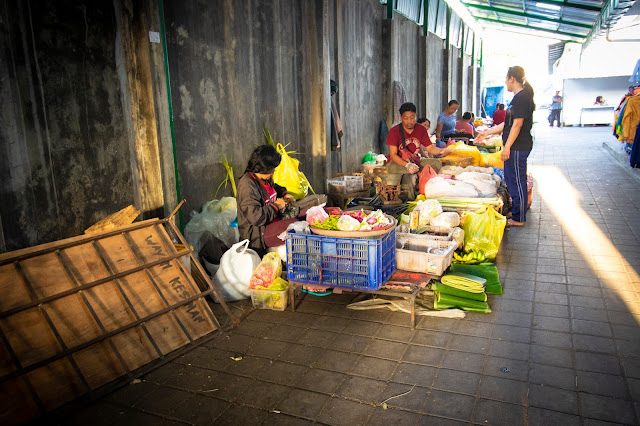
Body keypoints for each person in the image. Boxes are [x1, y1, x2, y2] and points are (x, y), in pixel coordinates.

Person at [475, 66, 535, 227]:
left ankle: (518, 218)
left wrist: (507, 147)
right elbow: (506, 124)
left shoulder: (522, 98)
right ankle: (517, 213)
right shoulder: (518, 98)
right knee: (512, 179)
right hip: (516, 146)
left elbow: (517, 125)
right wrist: (486, 133)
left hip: (517, 147)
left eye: (506, 79)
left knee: (516, 180)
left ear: (512, 79)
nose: (505, 83)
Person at [237, 145, 296, 256]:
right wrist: (276, 206)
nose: (273, 171)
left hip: (272, 222)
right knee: (295, 226)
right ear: (263, 168)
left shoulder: (264, 178)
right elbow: (255, 216)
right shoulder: (247, 186)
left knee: (305, 215)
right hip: (258, 235)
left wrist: (284, 193)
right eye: (272, 168)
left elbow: (274, 188)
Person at [387, 103, 452, 174]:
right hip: (398, 163)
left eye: (412, 118)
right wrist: (407, 165)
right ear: (401, 117)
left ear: (416, 115)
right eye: (406, 118)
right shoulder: (394, 131)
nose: (409, 121)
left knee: (436, 163)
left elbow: (430, 148)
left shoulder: (421, 129)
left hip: (415, 161)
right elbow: (393, 155)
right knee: (402, 172)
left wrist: (441, 151)